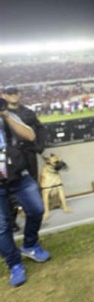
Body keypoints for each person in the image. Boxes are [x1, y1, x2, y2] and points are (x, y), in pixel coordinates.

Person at [0, 105, 50, 287]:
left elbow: (30, 136)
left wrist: (5, 115)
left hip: (17, 173)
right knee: (2, 225)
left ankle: (30, 244)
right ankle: (14, 264)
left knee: (37, 209)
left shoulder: (8, 115)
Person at [2, 85, 47, 226]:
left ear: (19, 94)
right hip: (10, 156)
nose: (13, 95)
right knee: (9, 187)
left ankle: (35, 217)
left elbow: (39, 129)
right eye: (9, 93)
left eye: (15, 92)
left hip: (28, 152)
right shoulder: (3, 113)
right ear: (4, 95)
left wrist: (39, 147)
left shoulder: (28, 112)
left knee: (32, 183)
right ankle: (12, 220)